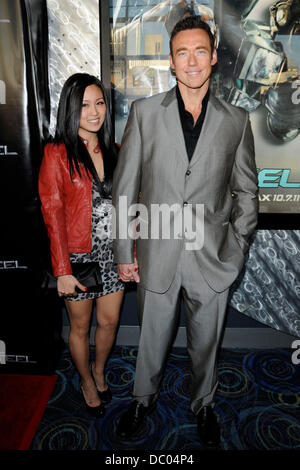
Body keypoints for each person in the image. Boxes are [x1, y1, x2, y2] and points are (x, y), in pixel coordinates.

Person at [112, 16, 258, 446]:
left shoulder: (237, 119)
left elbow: (246, 192)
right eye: (182, 52)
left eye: (200, 51)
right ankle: (142, 400)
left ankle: (204, 405)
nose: (191, 61)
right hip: (157, 252)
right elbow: (125, 190)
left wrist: (238, 246)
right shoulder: (144, 114)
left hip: (212, 255)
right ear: (171, 62)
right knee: (151, 338)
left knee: (205, 344)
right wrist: (124, 252)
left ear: (213, 58)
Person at [39, 73, 124, 418]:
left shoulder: (115, 150)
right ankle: (86, 380)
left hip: (113, 254)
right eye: (85, 105)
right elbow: (52, 211)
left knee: (109, 321)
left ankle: (100, 370)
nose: (94, 112)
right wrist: (61, 269)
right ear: (72, 109)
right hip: (78, 257)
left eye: (99, 103)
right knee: (79, 327)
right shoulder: (57, 153)